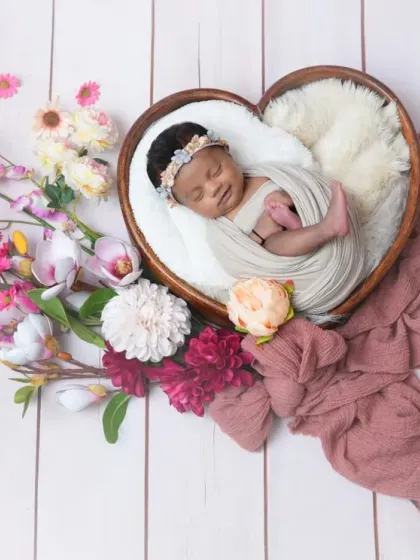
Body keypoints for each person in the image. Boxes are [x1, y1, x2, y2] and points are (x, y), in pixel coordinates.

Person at [146, 121, 349, 257]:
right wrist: (258, 235)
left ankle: (318, 225)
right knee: (272, 245)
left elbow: (301, 184)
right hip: (292, 257)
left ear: (229, 154)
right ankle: (328, 229)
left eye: (216, 171)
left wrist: (287, 196)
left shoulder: (263, 175)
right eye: (198, 195)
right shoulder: (222, 233)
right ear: (187, 207)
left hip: (318, 222)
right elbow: (245, 262)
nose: (214, 188)